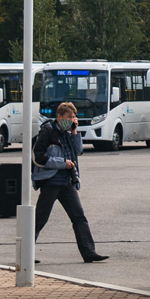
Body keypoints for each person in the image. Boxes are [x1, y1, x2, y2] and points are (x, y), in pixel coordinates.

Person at [33, 102, 108, 264]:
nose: (72, 119)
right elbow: (38, 157)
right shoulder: (48, 132)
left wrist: (75, 131)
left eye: (74, 117)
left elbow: (78, 150)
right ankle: (25, 253)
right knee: (40, 218)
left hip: (68, 182)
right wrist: (61, 163)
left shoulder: (68, 132)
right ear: (59, 117)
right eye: (68, 117)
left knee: (79, 217)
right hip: (51, 181)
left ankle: (89, 252)